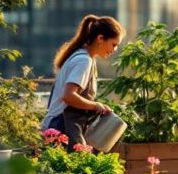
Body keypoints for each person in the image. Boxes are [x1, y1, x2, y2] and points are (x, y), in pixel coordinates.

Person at [42, 15, 124, 147]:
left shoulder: (80, 55)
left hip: (57, 126)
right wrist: (96, 106)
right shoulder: (84, 61)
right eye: (114, 45)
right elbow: (68, 96)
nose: (115, 50)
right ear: (100, 38)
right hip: (61, 126)